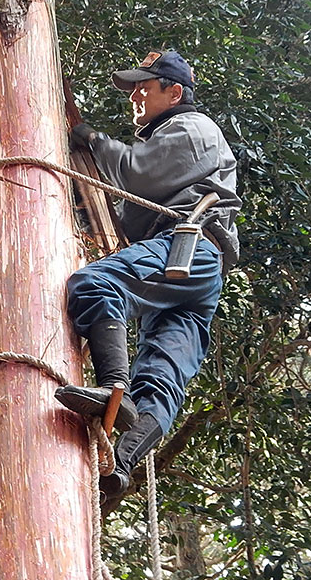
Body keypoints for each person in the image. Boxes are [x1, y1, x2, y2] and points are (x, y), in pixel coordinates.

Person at [55, 50, 242, 498]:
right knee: (163, 372)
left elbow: (137, 175)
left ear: (175, 92)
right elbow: (127, 221)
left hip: (189, 247)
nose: (135, 95)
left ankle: (112, 389)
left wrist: (91, 139)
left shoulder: (193, 128)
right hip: (196, 270)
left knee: (95, 283)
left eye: (145, 86)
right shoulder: (175, 135)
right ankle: (122, 463)